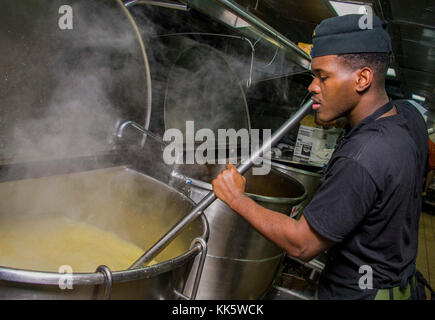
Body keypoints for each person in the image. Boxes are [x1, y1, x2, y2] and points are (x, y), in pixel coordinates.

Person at [212, 14, 430, 299]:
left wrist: (236, 198)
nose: (312, 86)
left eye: (323, 76)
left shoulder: (362, 157)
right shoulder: (407, 116)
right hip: (398, 283)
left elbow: (302, 245)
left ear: (362, 78)